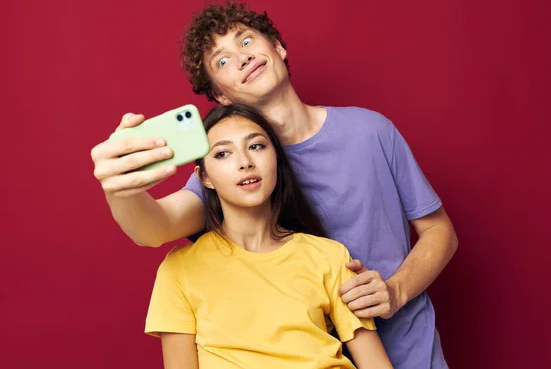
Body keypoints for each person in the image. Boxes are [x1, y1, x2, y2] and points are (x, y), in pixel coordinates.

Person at [91, 0, 458, 368]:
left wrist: (396, 290)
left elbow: (439, 231)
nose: (242, 58)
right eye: (222, 61)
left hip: (411, 353)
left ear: (278, 48)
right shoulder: (237, 174)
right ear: (220, 95)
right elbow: (155, 226)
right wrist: (121, 188)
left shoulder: (372, 131)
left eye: (247, 41)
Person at [145, 103, 393, 369]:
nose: (245, 162)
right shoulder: (180, 269)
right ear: (204, 177)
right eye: (223, 153)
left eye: (256, 146)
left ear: (276, 158)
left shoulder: (330, 255)